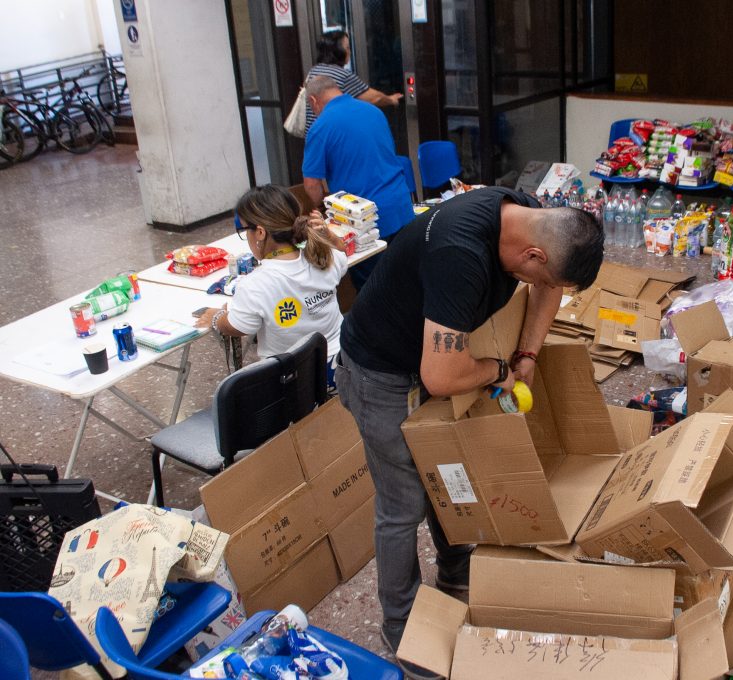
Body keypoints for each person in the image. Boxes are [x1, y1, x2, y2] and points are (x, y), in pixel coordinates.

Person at [334, 186, 604, 680]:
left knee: (447, 476)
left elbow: (548, 287)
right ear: (533, 253)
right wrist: (499, 369)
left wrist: (528, 355)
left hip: (429, 360)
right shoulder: (460, 255)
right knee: (403, 505)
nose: (540, 283)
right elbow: (442, 375)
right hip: (380, 372)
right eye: (539, 272)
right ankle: (402, 625)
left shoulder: (522, 215)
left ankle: (457, 578)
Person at [196, 185, 350, 384]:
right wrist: (327, 236)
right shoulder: (323, 257)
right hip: (340, 369)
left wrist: (216, 317)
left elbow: (238, 327)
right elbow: (342, 252)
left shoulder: (255, 284)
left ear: (260, 233)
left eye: (245, 231)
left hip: (294, 382)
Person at [302, 74, 414, 288]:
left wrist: (322, 209)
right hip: (401, 207)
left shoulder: (321, 127)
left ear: (314, 101)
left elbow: (311, 184)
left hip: (364, 222)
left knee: (375, 292)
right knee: (407, 280)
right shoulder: (374, 111)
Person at [303, 30, 402, 134]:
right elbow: (375, 98)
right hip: (332, 137)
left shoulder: (314, 70)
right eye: (347, 48)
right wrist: (391, 99)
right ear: (338, 51)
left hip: (313, 136)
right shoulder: (342, 75)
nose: (350, 51)